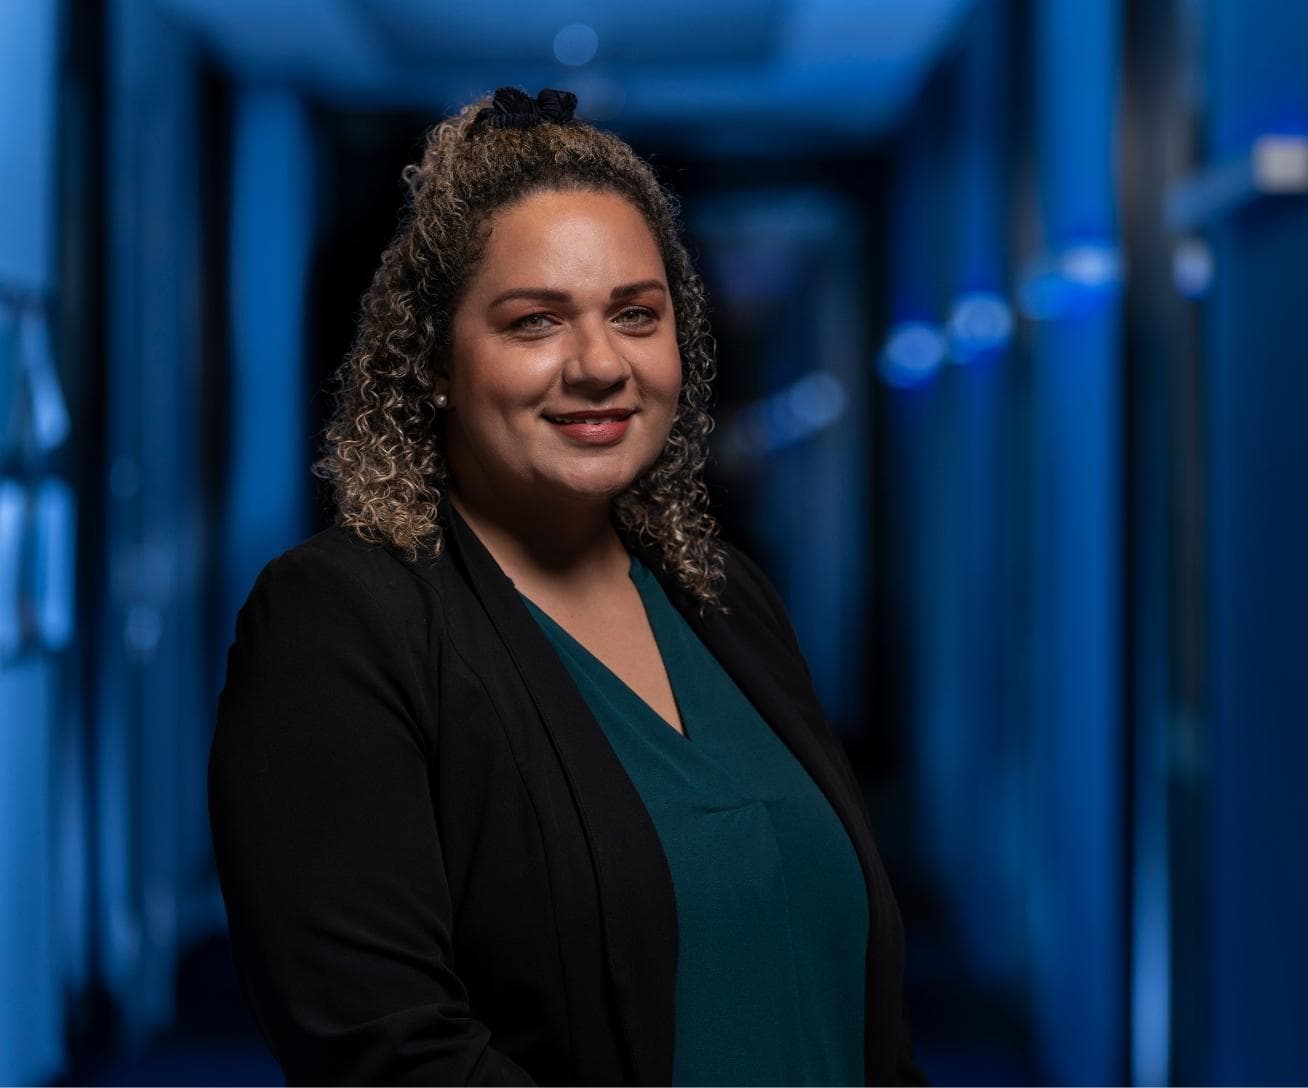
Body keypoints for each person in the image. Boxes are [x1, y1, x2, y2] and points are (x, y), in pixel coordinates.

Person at [208, 86, 923, 1087]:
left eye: (636, 314)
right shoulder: (339, 623)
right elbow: (384, 1049)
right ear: (437, 361)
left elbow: (860, 1014)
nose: (600, 364)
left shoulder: (723, 598)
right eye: (535, 321)